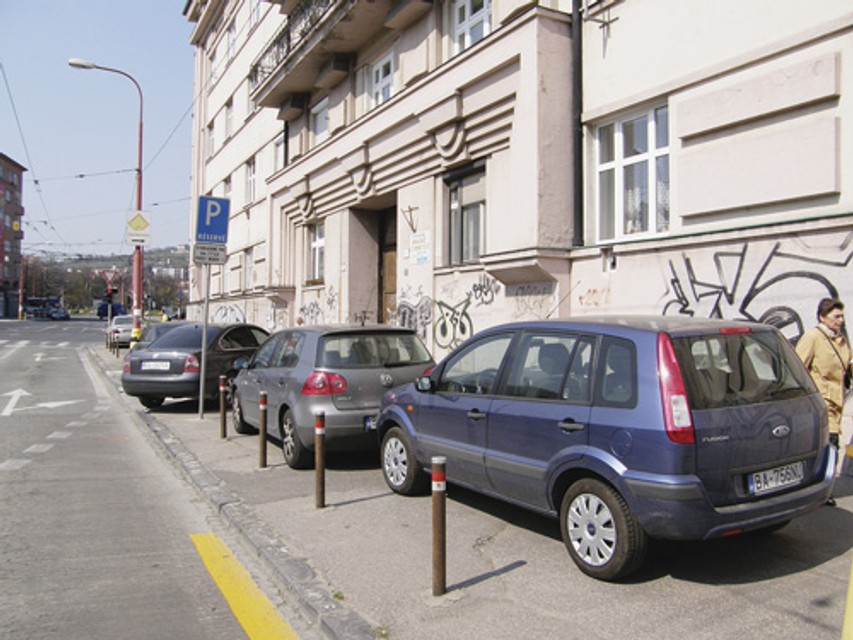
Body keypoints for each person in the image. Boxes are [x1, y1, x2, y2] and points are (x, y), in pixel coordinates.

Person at [795, 298, 852, 506]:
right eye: (836, 316)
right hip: (820, 402)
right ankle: (820, 491)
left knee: (830, 445)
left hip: (837, 401)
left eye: (842, 316)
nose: (840, 320)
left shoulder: (840, 339)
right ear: (822, 317)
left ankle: (821, 490)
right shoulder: (813, 337)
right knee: (829, 444)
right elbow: (798, 369)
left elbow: (846, 365)